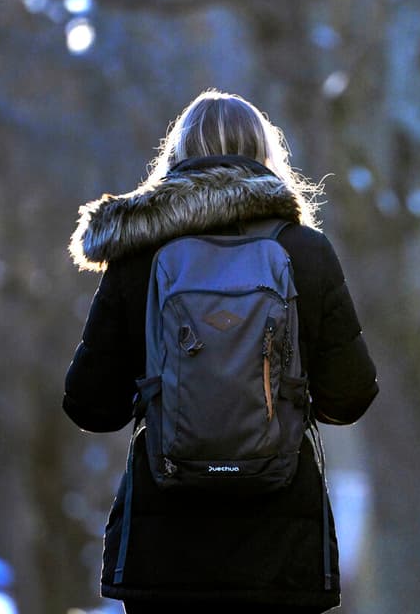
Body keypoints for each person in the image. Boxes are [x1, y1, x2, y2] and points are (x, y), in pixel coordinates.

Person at [63, 90, 378, 614]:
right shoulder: (304, 252)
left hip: (165, 550)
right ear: (266, 157)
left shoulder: (138, 256)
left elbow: (89, 406)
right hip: (280, 550)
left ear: (176, 157)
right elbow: (349, 397)